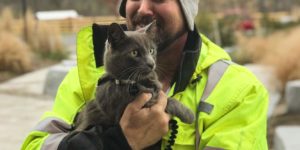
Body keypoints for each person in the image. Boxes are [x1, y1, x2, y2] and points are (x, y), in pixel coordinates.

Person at [22, 0, 269, 149]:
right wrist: (112, 143)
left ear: (187, 10)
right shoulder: (84, 77)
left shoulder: (239, 90)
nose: (143, 8)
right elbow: (35, 146)